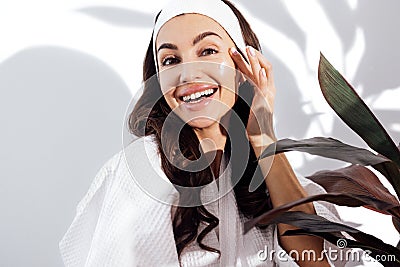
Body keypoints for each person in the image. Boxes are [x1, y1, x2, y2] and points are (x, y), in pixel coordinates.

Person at [59, 0, 350, 266]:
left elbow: (317, 260)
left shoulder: (277, 177)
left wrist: (263, 135)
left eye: (207, 51)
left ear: (244, 66)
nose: (188, 75)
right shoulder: (143, 167)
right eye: (171, 61)